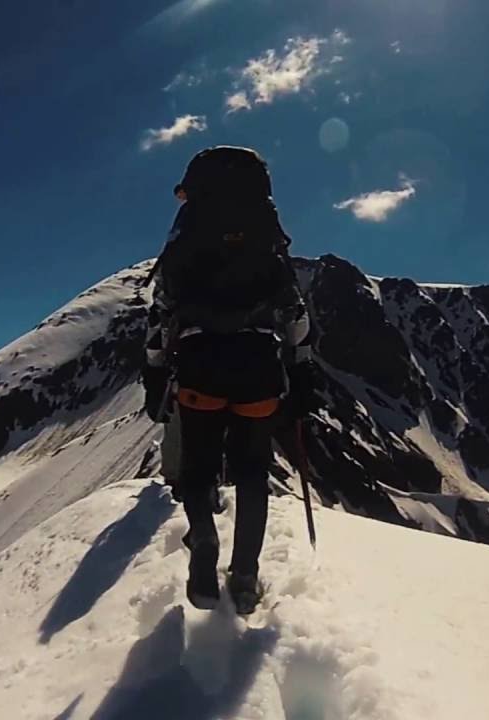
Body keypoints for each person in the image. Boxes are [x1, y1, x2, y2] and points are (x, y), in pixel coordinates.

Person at [141, 146, 316, 615]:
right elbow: (295, 313)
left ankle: (203, 539)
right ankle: (245, 577)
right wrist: (301, 370)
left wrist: (154, 373)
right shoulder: (267, 240)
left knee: (198, 468)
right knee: (253, 471)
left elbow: (161, 313)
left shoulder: (185, 240)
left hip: (199, 365)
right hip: (258, 366)